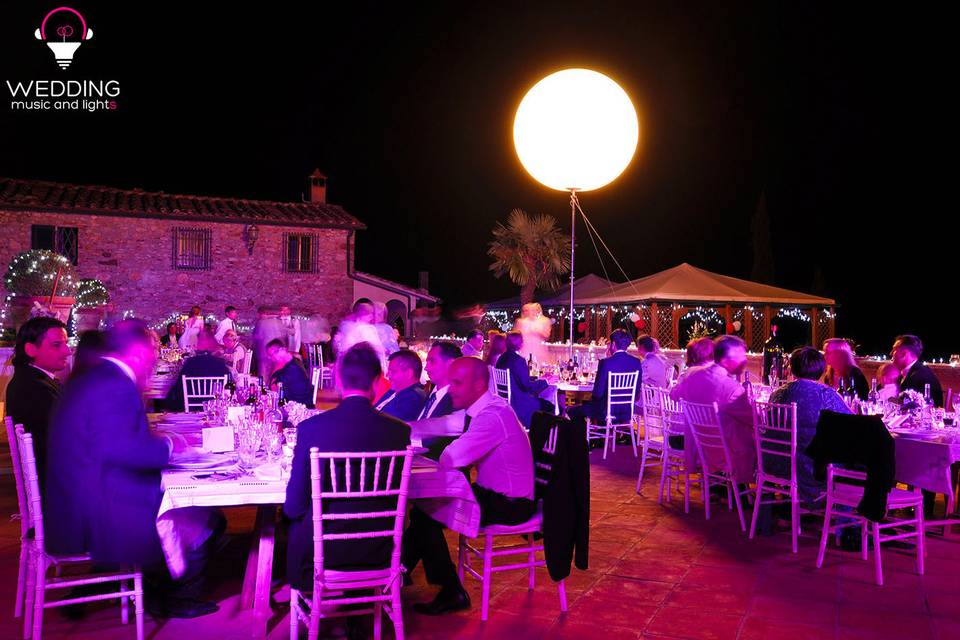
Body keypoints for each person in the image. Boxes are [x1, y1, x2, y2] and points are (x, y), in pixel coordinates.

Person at [45, 320, 222, 618]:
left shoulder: (98, 375)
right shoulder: (114, 383)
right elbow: (122, 449)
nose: (154, 360)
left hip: (85, 489)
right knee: (207, 519)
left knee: (190, 501)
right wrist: (172, 447)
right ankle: (174, 597)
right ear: (139, 352)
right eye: (152, 351)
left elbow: (112, 439)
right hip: (101, 505)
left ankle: (153, 586)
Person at [402, 357, 535, 615]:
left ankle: (445, 589)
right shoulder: (483, 410)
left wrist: (424, 451)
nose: (451, 388)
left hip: (511, 504)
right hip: (494, 494)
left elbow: (451, 457)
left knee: (425, 512)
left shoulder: (492, 416)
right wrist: (405, 428)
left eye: (457, 382)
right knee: (424, 509)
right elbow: (445, 424)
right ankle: (400, 573)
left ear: (479, 385)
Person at [283, 342, 411, 593]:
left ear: (339, 382)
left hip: (323, 554)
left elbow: (293, 507)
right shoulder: (399, 431)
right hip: (380, 550)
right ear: (377, 381)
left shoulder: (312, 428)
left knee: (294, 521)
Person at [755, 347, 852, 535]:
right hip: (811, 467)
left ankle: (775, 515)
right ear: (822, 369)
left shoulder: (778, 394)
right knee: (859, 461)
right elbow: (851, 423)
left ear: (792, 368)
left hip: (778, 464)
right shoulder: (826, 394)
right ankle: (846, 527)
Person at [670, 335, 755, 483]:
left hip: (698, 448)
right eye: (741, 356)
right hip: (724, 454)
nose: (745, 360)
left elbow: (674, 395)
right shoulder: (732, 388)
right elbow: (754, 421)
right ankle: (767, 496)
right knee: (768, 446)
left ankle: (723, 487)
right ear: (725, 361)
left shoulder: (693, 377)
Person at [5, 317, 70, 483]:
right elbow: (66, 441)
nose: (67, 351)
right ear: (31, 349)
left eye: (65, 344)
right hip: (56, 484)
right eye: (57, 345)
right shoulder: (34, 388)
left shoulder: (32, 379)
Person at [569, 329, 642, 424]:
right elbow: (636, 393)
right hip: (627, 411)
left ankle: (585, 438)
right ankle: (606, 435)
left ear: (613, 344)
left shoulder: (606, 363)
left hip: (606, 411)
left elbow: (597, 393)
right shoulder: (636, 362)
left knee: (572, 411)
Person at [164, 329, 232, 412]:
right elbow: (231, 387)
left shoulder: (190, 363)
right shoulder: (220, 364)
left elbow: (179, 388)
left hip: (190, 408)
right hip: (214, 408)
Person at [495, 331, 551, 428]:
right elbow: (526, 386)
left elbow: (515, 377)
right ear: (519, 343)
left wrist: (535, 378)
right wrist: (545, 382)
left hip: (506, 403)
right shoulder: (518, 360)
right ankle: (544, 439)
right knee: (552, 407)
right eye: (522, 341)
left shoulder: (501, 358)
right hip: (520, 404)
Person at [374, 349, 427, 421]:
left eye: (392, 371)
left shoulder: (412, 397)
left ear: (409, 374)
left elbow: (393, 427)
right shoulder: (394, 391)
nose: (387, 375)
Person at [891, 334, 943, 406]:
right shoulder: (906, 374)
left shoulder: (920, 376)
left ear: (904, 353)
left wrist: (889, 400)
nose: (891, 353)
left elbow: (912, 408)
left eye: (894, 350)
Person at [419, 341, 462, 420]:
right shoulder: (430, 395)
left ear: (451, 364)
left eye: (432, 361)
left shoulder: (457, 404)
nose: (426, 368)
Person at [266, 339, 314, 407]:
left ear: (283, 349)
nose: (272, 358)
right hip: (295, 403)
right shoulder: (292, 362)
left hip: (299, 407)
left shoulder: (292, 368)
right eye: (270, 355)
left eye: (273, 353)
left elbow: (274, 388)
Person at [252, 306, 283, 380]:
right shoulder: (276, 321)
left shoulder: (260, 322)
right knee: (274, 371)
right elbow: (280, 336)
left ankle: (263, 388)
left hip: (263, 351)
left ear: (261, 313)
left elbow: (256, 337)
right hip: (274, 352)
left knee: (263, 372)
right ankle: (272, 388)